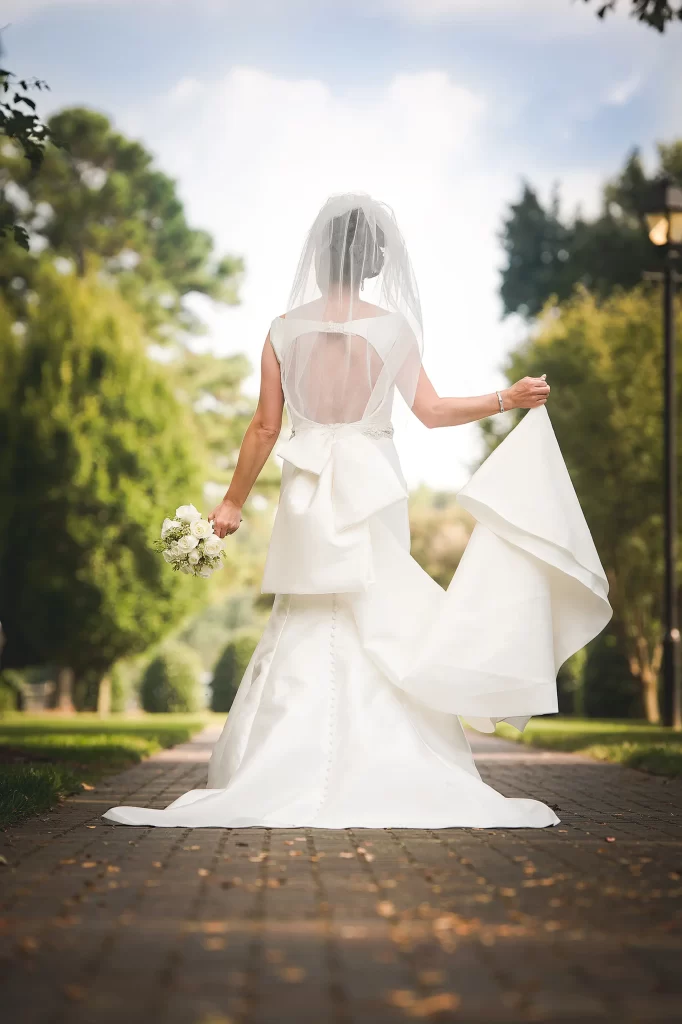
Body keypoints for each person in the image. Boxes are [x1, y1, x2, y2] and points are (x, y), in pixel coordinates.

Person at [104, 193, 611, 829]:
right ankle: (393, 761)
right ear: (374, 263)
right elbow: (430, 412)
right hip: (372, 488)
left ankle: (274, 766)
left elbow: (265, 428)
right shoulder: (391, 330)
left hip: (307, 490)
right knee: (376, 609)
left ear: (317, 256)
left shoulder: (283, 330)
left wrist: (231, 500)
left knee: (309, 610)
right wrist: (504, 398)